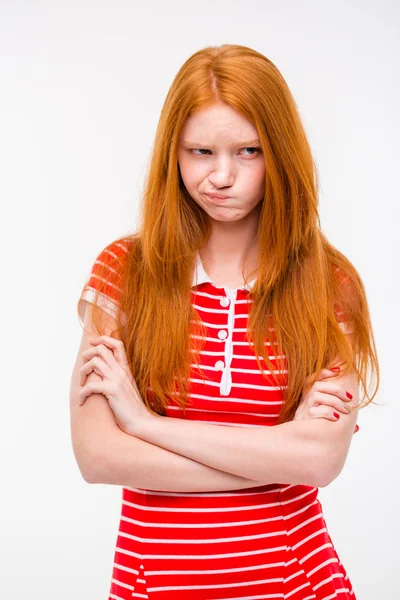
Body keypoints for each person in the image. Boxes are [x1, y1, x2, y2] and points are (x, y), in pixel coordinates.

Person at [70, 44, 379, 600]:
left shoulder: (330, 285)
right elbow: (97, 457)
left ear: (279, 154)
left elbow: (322, 458)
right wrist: (281, 452)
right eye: (200, 150)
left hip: (298, 584)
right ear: (175, 154)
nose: (221, 175)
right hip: (154, 585)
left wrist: (144, 425)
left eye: (248, 151)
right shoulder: (123, 274)